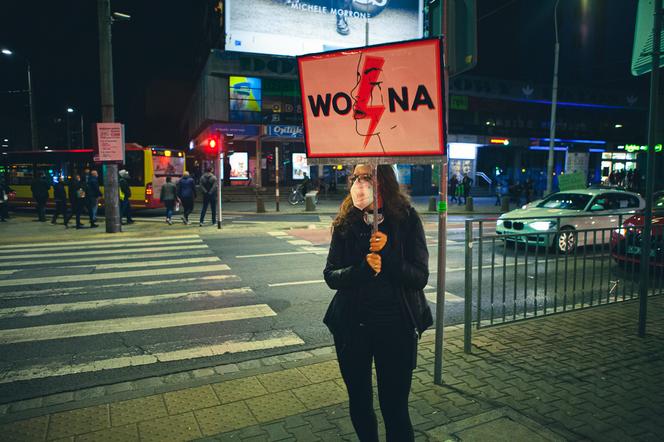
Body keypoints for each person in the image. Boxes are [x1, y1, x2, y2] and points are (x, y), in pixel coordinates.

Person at [323, 164, 432, 442]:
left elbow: (419, 277)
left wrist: (389, 255)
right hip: (352, 327)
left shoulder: (406, 219)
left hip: (396, 328)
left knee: (394, 408)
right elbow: (331, 274)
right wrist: (361, 269)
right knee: (360, 403)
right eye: (355, 177)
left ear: (383, 180)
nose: (359, 182)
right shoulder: (346, 220)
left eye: (366, 176)